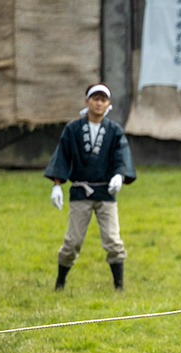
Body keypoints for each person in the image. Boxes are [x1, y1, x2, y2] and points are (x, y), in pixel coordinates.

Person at [45, 83, 136, 291]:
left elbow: (122, 155)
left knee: (113, 240)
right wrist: (57, 185)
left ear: (108, 105)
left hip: (106, 192)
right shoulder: (73, 129)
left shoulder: (114, 131)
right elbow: (62, 156)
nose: (99, 103)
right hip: (80, 191)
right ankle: (60, 283)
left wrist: (119, 176)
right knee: (73, 241)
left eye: (103, 100)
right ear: (87, 101)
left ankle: (118, 287)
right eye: (95, 98)